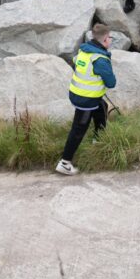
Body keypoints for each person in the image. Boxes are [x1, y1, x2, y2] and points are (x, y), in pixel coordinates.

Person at [56, 24, 117, 176]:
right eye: (110, 37)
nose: (110, 40)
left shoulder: (84, 50)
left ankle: (98, 138)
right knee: (78, 129)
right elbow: (111, 83)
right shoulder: (100, 59)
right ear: (104, 40)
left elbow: (79, 66)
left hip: (77, 94)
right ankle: (65, 163)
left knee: (101, 106)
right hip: (86, 100)